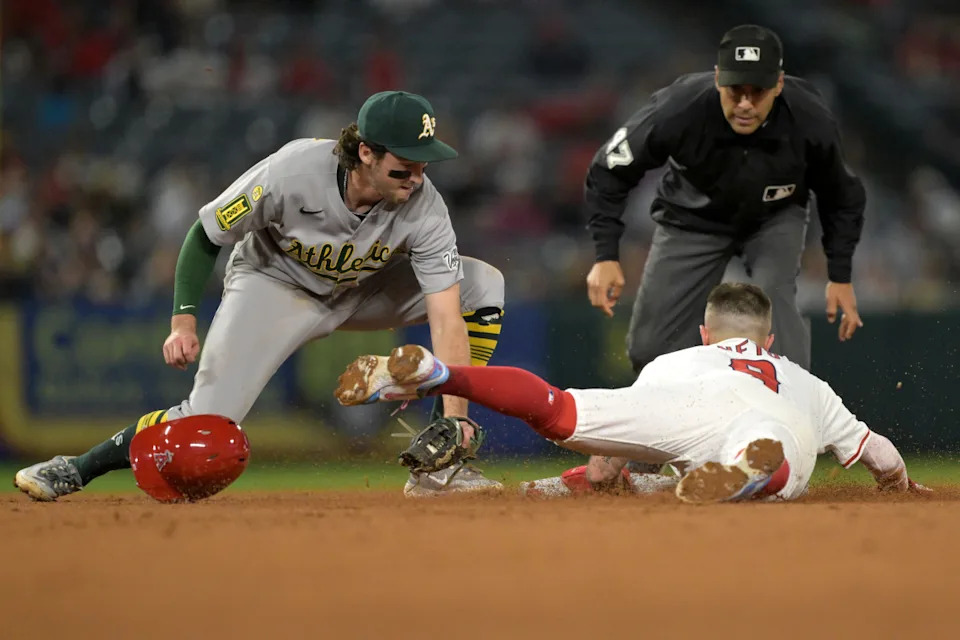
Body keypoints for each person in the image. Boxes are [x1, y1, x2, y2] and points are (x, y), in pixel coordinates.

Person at [14, 90, 506, 502]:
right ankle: (78, 467)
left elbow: (446, 316)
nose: (417, 178)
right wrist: (183, 321)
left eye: (423, 165)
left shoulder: (424, 205)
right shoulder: (293, 171)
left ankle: (442, 466)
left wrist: (456, 417)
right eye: (404, 167)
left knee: (484, 286)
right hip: (275, 286)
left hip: (360, 289)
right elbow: (205, 236)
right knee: (207, 422)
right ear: (366, 153)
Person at [335, 283, 927, 504]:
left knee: (558, 407)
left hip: (686, 405)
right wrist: (899, 487)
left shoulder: (677, 359)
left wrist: (603, 476)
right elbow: (879, 455)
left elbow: (603, 467)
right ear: (769, 339)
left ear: (706, 333)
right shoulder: (808, 382)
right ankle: (752, 471)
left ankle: (443, 374)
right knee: (772, 451)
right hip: (776, 421)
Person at [584, 24, 866, 375]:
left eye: (758, 91)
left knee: (777, 334)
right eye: (735, 90)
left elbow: (842, 194)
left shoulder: (808, 117)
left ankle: (788, 414)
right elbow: (608, 169)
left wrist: (840, 275)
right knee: (649, 349)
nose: (745, 104)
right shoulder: (679, 107)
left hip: (774, 218)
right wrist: (605, 255)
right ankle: (685, 421)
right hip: (692, 218)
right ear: (718, 78)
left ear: (779, 83)